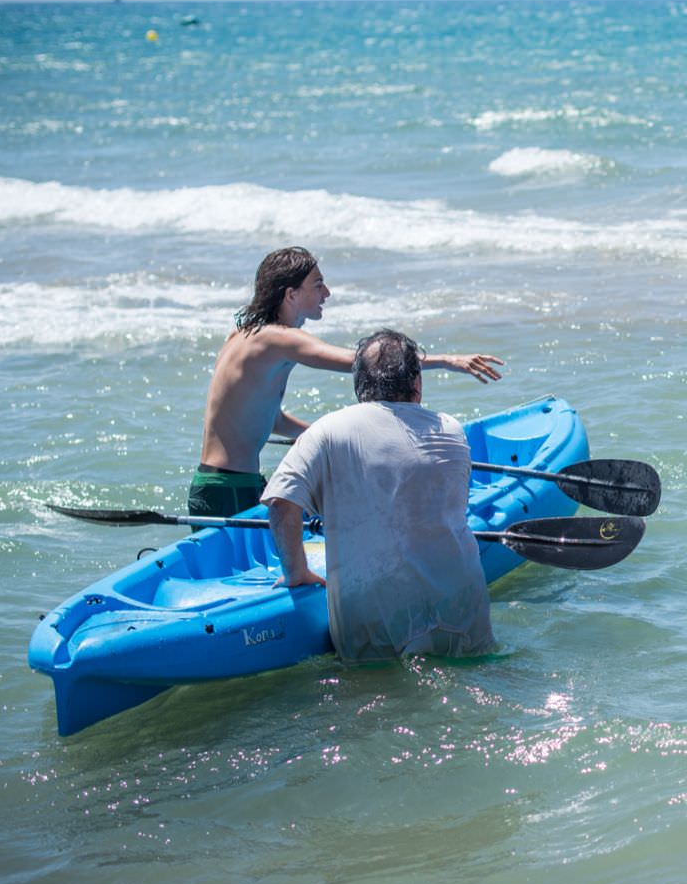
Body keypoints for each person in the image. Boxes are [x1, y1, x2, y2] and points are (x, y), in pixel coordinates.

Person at [190, 247, 502, 516]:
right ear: (291, 294)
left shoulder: (243, 337)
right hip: (230, 488)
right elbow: (367, 361)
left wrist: (318, 437)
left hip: (219, 484)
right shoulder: (278, 339)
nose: (326, 294)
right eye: (318, 284)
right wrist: (447, 361)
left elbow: (267, 419)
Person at [262, 329, 493, 663]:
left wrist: (297, 573)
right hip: (461, 604)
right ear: (417, 383)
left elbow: (281, 504)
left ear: (360, 383)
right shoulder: (451, 429)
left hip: (378, 619)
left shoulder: (327, 430)